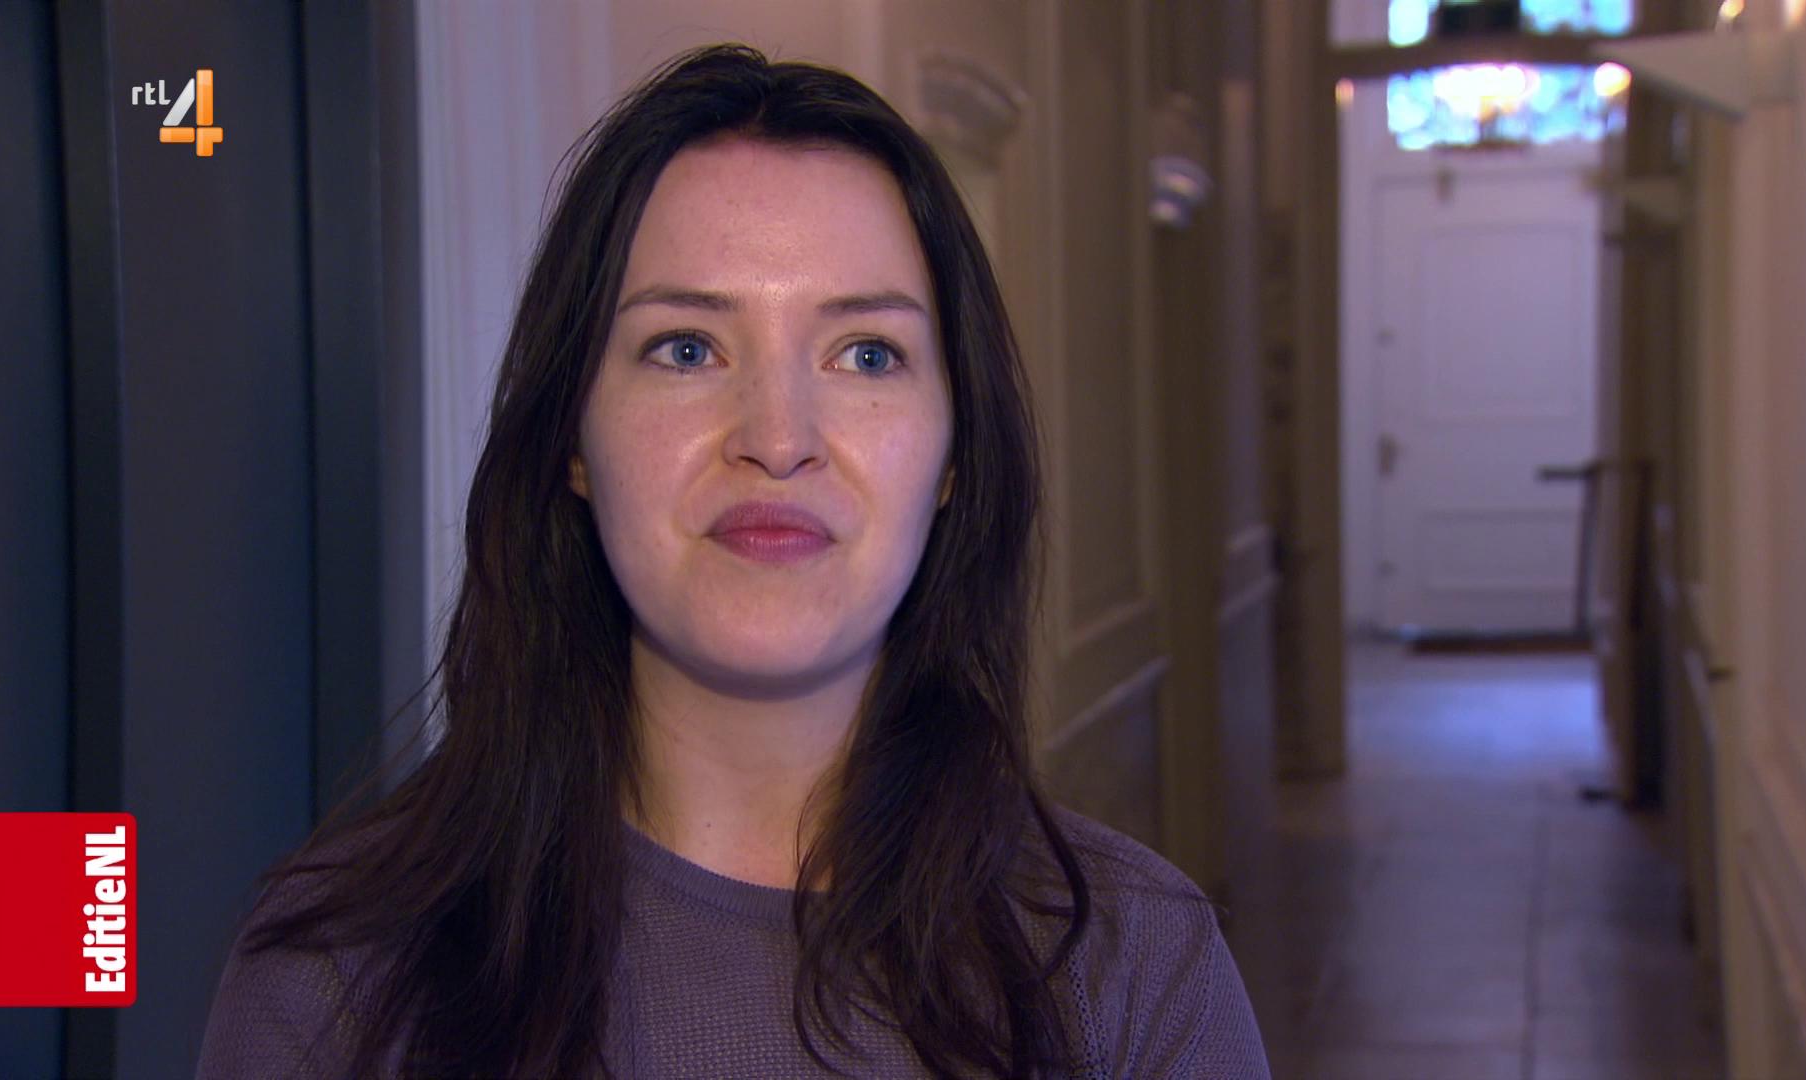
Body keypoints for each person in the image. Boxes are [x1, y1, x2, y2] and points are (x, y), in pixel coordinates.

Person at [195, 43, 1270, 1079]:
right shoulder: (336, 979)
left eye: (866, 354)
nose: (777, 436)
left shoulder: (1134, 971)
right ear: (573, 437)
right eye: (687, 348)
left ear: (954, 455)